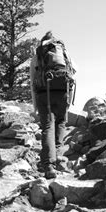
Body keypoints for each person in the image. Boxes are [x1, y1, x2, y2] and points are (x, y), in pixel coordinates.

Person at [30, 31, 76, 179]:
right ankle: (57, 156)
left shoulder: (38, 55)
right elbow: (74, 71)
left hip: (45, 93)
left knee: (48, 126)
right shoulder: (64, 52)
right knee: (61, 123)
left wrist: (35, 105)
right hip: (63, 91)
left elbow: (32, 81)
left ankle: (49, 165)